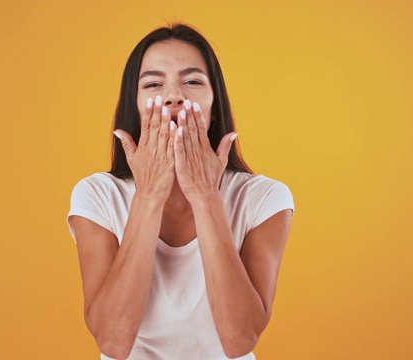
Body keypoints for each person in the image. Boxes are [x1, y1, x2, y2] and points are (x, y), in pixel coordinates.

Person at [67, 23, 294, 360]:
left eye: (192, 81)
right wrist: (148, 197)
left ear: (215, 106)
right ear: (135, 105)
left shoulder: (264, 199)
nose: (174, 96)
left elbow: (239, 340)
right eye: (153, 83)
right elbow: (113, 342)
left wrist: (206, 198)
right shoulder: (97, 196)